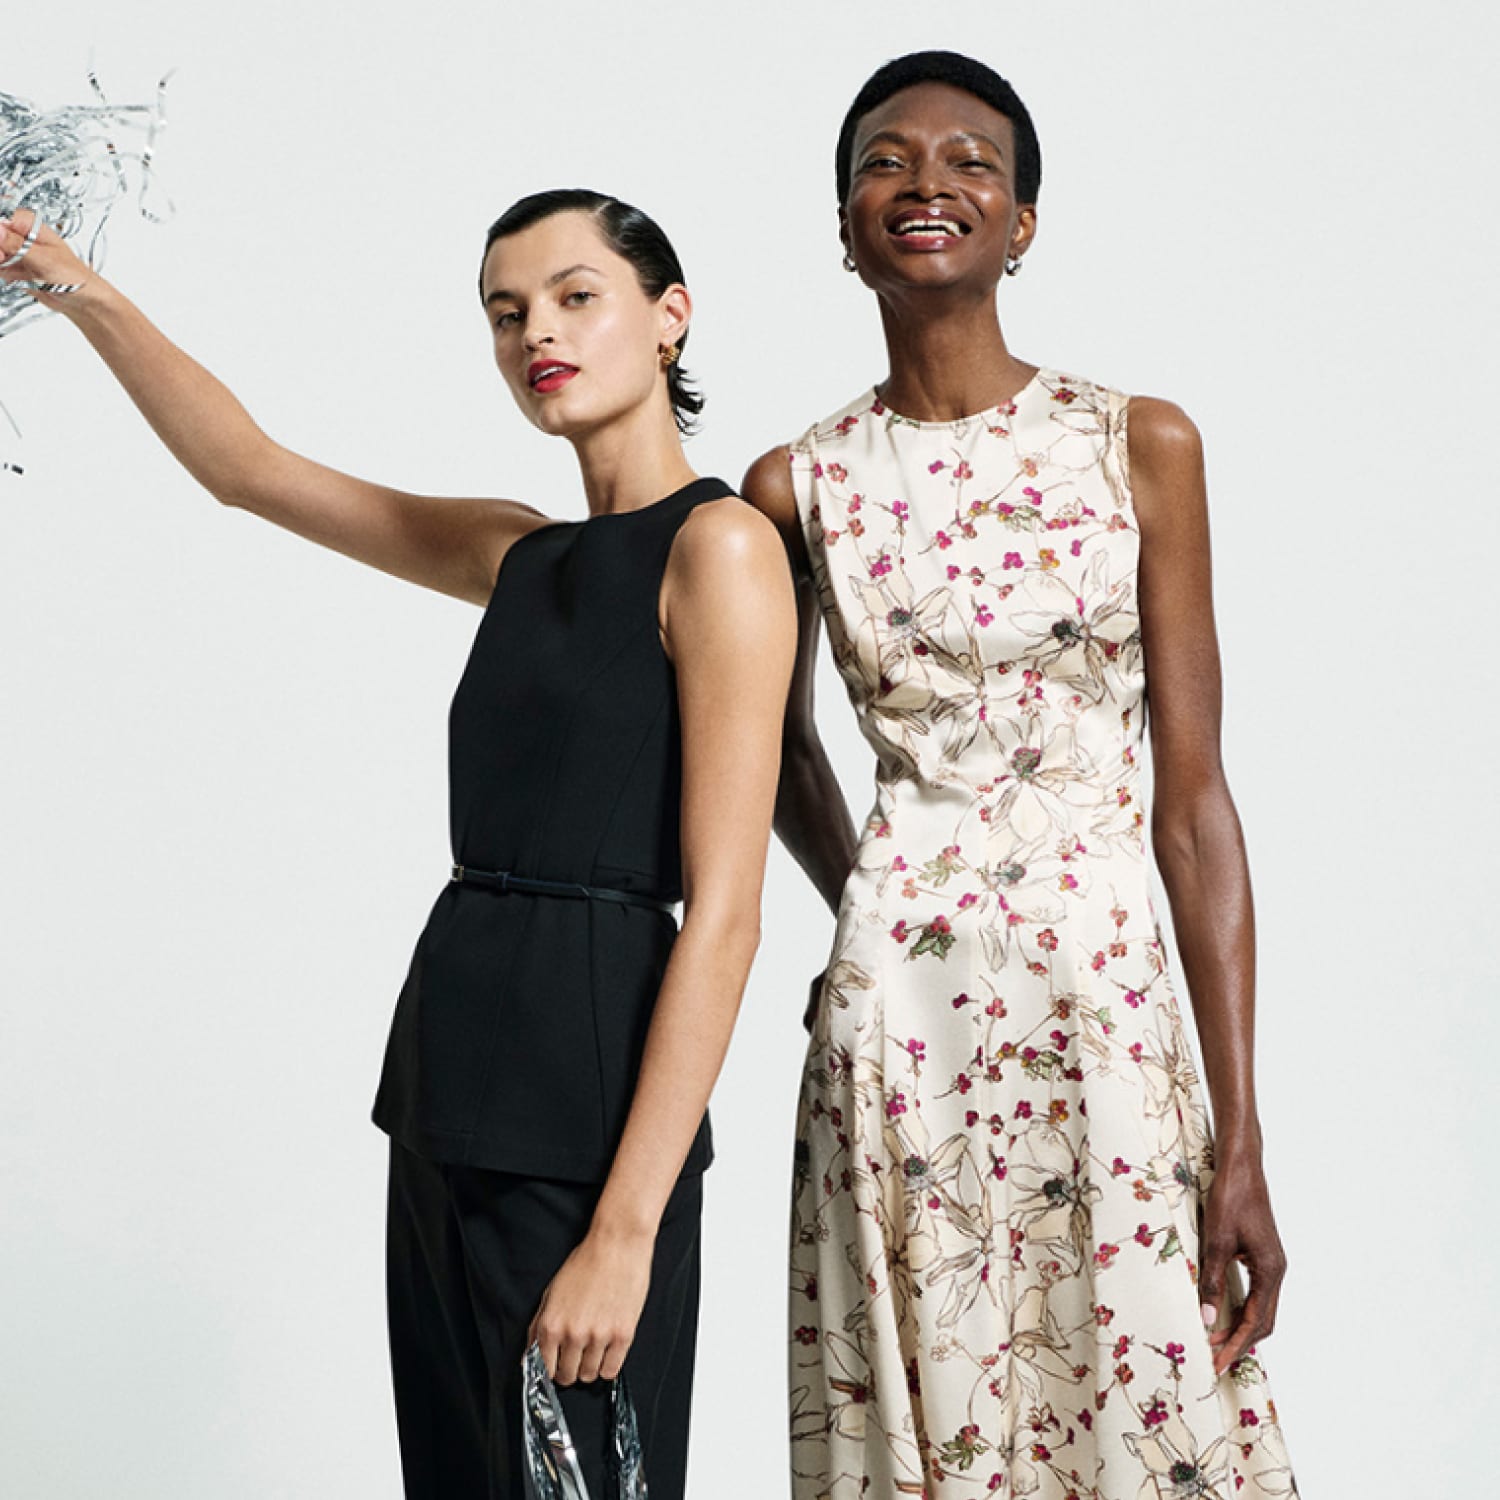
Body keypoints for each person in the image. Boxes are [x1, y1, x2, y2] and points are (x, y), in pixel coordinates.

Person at [0, 186, 796, 1499]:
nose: (535, 331)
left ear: (670, 320)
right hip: (444, 1086)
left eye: (574, 296)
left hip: (586, 1117)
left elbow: (725, 914)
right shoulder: (516, 550)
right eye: (505, 313)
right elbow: (249, 472)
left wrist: (628, 1229)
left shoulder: (719, 552)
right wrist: (59, 271)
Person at [742, 51, 1297, 1499]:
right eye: (885, 160)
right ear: (844, 219)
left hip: (1102, 1003)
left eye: (970, 160)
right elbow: (776, 751)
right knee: (926, 1397)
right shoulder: (797, 484)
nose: (926, 182)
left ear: (1024, 222)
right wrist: (872, 889)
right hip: (900, 1021)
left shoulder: (1138, 442)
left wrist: (1240, 1138)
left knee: (1149, 1410)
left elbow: (1193, 801)